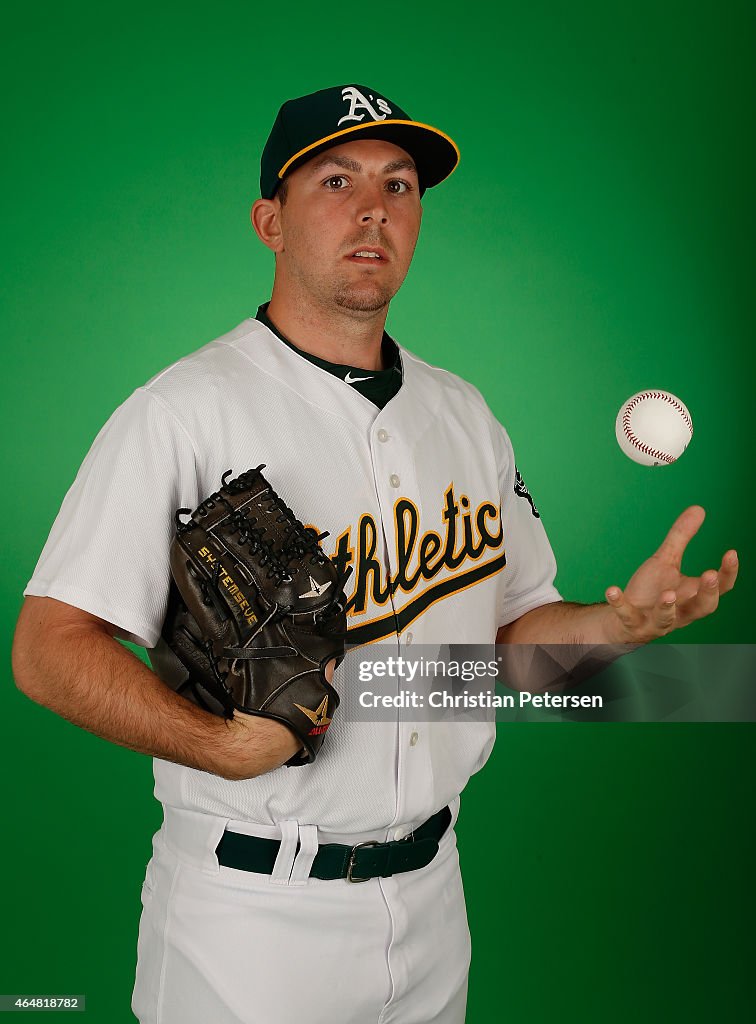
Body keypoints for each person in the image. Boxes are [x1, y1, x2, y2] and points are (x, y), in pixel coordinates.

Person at [12, 84, 738, 1024]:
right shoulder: (182, 412)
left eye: (400, 186)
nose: (373, 209)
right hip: (251, 916)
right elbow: (46, 645)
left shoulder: (465, 415)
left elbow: (512, 638)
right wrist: (220, 748)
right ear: (269, 220)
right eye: (337, 179)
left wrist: (616, 627)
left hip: (435, 899)